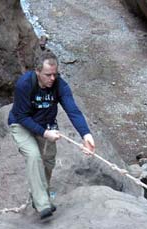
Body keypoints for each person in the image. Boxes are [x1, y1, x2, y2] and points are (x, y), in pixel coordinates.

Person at [8, 51, 95, 220]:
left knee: (48, 162)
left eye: (55, 74)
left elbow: (73, 110)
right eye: (48, 75)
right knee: (34, 156)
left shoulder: (60, 85)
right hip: (21, 125)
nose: (52, 78)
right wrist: (44, 133)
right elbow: (21, 116)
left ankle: (40, 196)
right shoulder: (24, 85)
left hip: (44, 125)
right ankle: (42, 204)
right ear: (37, 71)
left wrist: (86, 134)